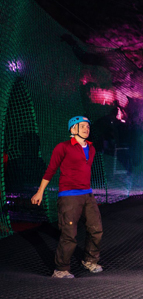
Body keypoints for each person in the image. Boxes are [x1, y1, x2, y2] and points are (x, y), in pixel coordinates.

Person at [31, 116, 104, 278]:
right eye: (82, 126)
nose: (86, 129)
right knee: (69, 234)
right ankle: (61, 269)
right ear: (72, 129)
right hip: (69, 197)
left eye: (88, 126)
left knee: (96, 229)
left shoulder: (91, 148)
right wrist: (40, 191)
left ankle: (89, 261)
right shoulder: (62, 147)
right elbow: (51, 170)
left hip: (87, 195)